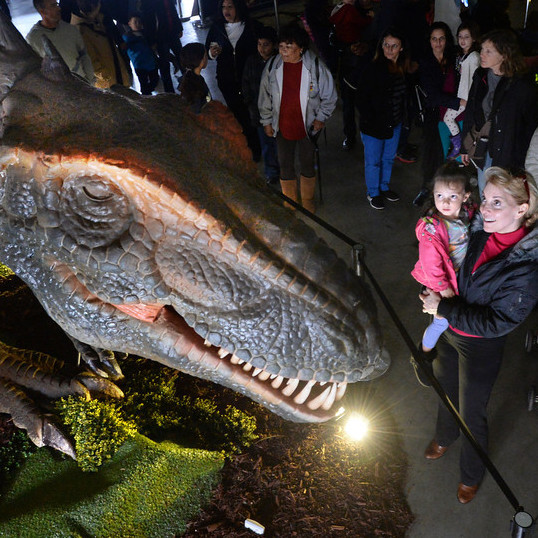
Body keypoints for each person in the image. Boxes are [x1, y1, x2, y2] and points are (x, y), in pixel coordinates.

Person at [419, 167, 538, 504]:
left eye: (496, 203)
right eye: (485, 200)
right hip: (451, 330)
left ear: (522, 209)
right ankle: (445, 435)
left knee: (473, 412)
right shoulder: (482, 228)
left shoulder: (527, 268)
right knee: (446, 389)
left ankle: (471, 475)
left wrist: (442, 310)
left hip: (479, 345)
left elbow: (496, 322)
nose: (485, 209)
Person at [258, 24, 337, 213]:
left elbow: (330, 96)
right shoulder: (272, 66)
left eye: (289, 47)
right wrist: (266, 121)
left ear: (301, 49)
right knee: (285, 165)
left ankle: (307, 199)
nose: (283, 51)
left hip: (307, 128)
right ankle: (291, 202)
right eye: (281, 46)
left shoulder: (316, 67)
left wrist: (321, 118)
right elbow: (265, 96)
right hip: (283, 126)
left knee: (307, 163)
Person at [410, 163, 474, 385]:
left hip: (455, 279)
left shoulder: (466, 214)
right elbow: (431, 263)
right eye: (439, 195)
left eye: (452, 196)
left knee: (449, 319)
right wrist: (443, 289)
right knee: (440, 323)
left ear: (465, 197)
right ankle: (422, 355)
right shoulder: (432, 227)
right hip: (440, 283)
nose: (445, 202)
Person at [460, 29, 538, 196]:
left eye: (489, 51)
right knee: (484, 189)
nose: (482, 54)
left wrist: (522, 160)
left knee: (502, 194)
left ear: (504, 55)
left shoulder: (522, 85)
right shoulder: (480, 75)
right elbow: (472, 110)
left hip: (507, 151)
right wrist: (465, 145)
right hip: (484, 144)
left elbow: (529, 126)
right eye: (482, 49)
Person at [356, 28, 409, 210]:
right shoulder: (373, 68)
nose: (389, 49)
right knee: (373, 161)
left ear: (401, 48)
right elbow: (361, 98)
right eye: (386, 45)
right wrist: (371, 119)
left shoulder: (403, 68)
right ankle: (373, 192)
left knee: (388, 158)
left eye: (394, 46)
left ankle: (383, 187)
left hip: (394, 123)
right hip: (374, 126)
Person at [413, 22, 463, 207]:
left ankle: (451, 192)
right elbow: (432, 96)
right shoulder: (426, 62)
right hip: (435, 114)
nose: (438, 43)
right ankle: (427, 189)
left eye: (441, 38)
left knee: (454, 153)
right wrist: (458, 102)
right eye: (434, 39)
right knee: (432, 153)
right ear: (429, 41)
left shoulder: (453, 58)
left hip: (454, 112)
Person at [205, 0, 262, 160]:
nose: (226, 10)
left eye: (230, 6)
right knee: (239, 115)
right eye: (223, 7)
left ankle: (259, 147)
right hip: (227, 79)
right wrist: (211, 53)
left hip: (250, 80)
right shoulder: (217, 28)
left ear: (238, 7)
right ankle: (249, 148)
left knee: (253, 114)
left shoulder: (252, 26)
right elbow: (207, 49)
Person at [329, 0, 374, 151]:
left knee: (360, 105)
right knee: (352, 104)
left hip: (358, 65)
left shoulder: (339, 11)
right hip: (352, 64)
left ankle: (359, 137)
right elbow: (333, 40)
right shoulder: (352, 12)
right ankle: (354, 136)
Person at [242, 26, 280, 185]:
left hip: (278, 112)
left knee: (279, 144)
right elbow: (245, 84)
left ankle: (283, 170)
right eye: (259, 44)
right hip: (259, 113)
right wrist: (250, 103)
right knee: (266, 144)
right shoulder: (252, 61)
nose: (262, 49)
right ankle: (271, 172)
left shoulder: (280, 61)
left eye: (266, 45)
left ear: (274, 45)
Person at [26, 0, 95, 84]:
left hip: (82, 84)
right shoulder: (33, 39)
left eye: (57, 4)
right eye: (53, 5)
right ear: (43, 11)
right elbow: (34, 70)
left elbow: (84, 56)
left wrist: (90, 80)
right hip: (60, 90)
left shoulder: (70, 30)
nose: (58, 8)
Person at [71, 0, 130, 89]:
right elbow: (91, 59)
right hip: (106, 80)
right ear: (94, 6)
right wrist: (104, 75)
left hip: (115, 70)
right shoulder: (81, 30)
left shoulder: (100, 20)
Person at [443, 21, 480, 160]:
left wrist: (468, 100)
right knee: (449, 117)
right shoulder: (460, 54)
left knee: (448, 117)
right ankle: (457, 145)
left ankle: (458, 145)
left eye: (467, 37)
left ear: (474, 38)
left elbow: (474, 80)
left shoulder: (474, 57)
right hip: (460, 94)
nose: (463, 40)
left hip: (465, 96)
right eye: (460, 36)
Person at [140, 0, 184, 94]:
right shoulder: (147, 2)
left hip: (172, 33)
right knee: (164, 65)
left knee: (182, 59)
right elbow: (147, 20)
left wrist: (179, 27)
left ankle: (189, 85)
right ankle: (170, 93)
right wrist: (152, 41)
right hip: (160, 37)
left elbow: (172, 11)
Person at [123, 14, 159, 95]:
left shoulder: (145, 33)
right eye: (135, 22)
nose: (138, 24)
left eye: (139, 22)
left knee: (155, 80)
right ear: (129, 23)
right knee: (143, 83)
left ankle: (147, 93)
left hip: (151, 63)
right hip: (139, 65)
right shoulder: (127, 37)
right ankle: (146, 98)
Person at [177, 42, 211, 113]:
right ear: (201, 61)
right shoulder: (196, 86)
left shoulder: (188, 78)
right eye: (205, 55)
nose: (207, 57)